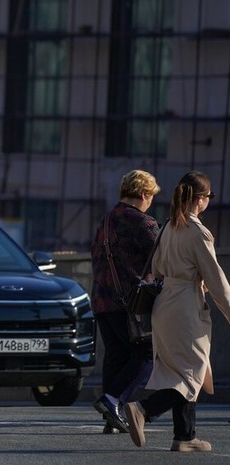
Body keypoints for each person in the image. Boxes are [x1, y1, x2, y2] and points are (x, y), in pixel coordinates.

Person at [125, 170, 230, 452]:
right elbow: (216, 279)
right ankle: (143, 409)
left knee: (180, 371)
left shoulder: (168, 227)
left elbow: (156, 267)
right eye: (209, 196)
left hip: (164, 303)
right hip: (186, 306)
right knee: (191, 373)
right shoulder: (197, 232)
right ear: (200, 199)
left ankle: (185, 436)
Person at [90, 170, 160, 434]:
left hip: (101, 299)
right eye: (151, 196)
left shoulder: (106, 220)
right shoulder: (143, 222)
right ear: (143, 194)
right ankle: (113, 400)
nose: (151, 202)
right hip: (130, 303)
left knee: (116, 355)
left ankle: (112, 418)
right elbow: (161, 260)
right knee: (148, 353)